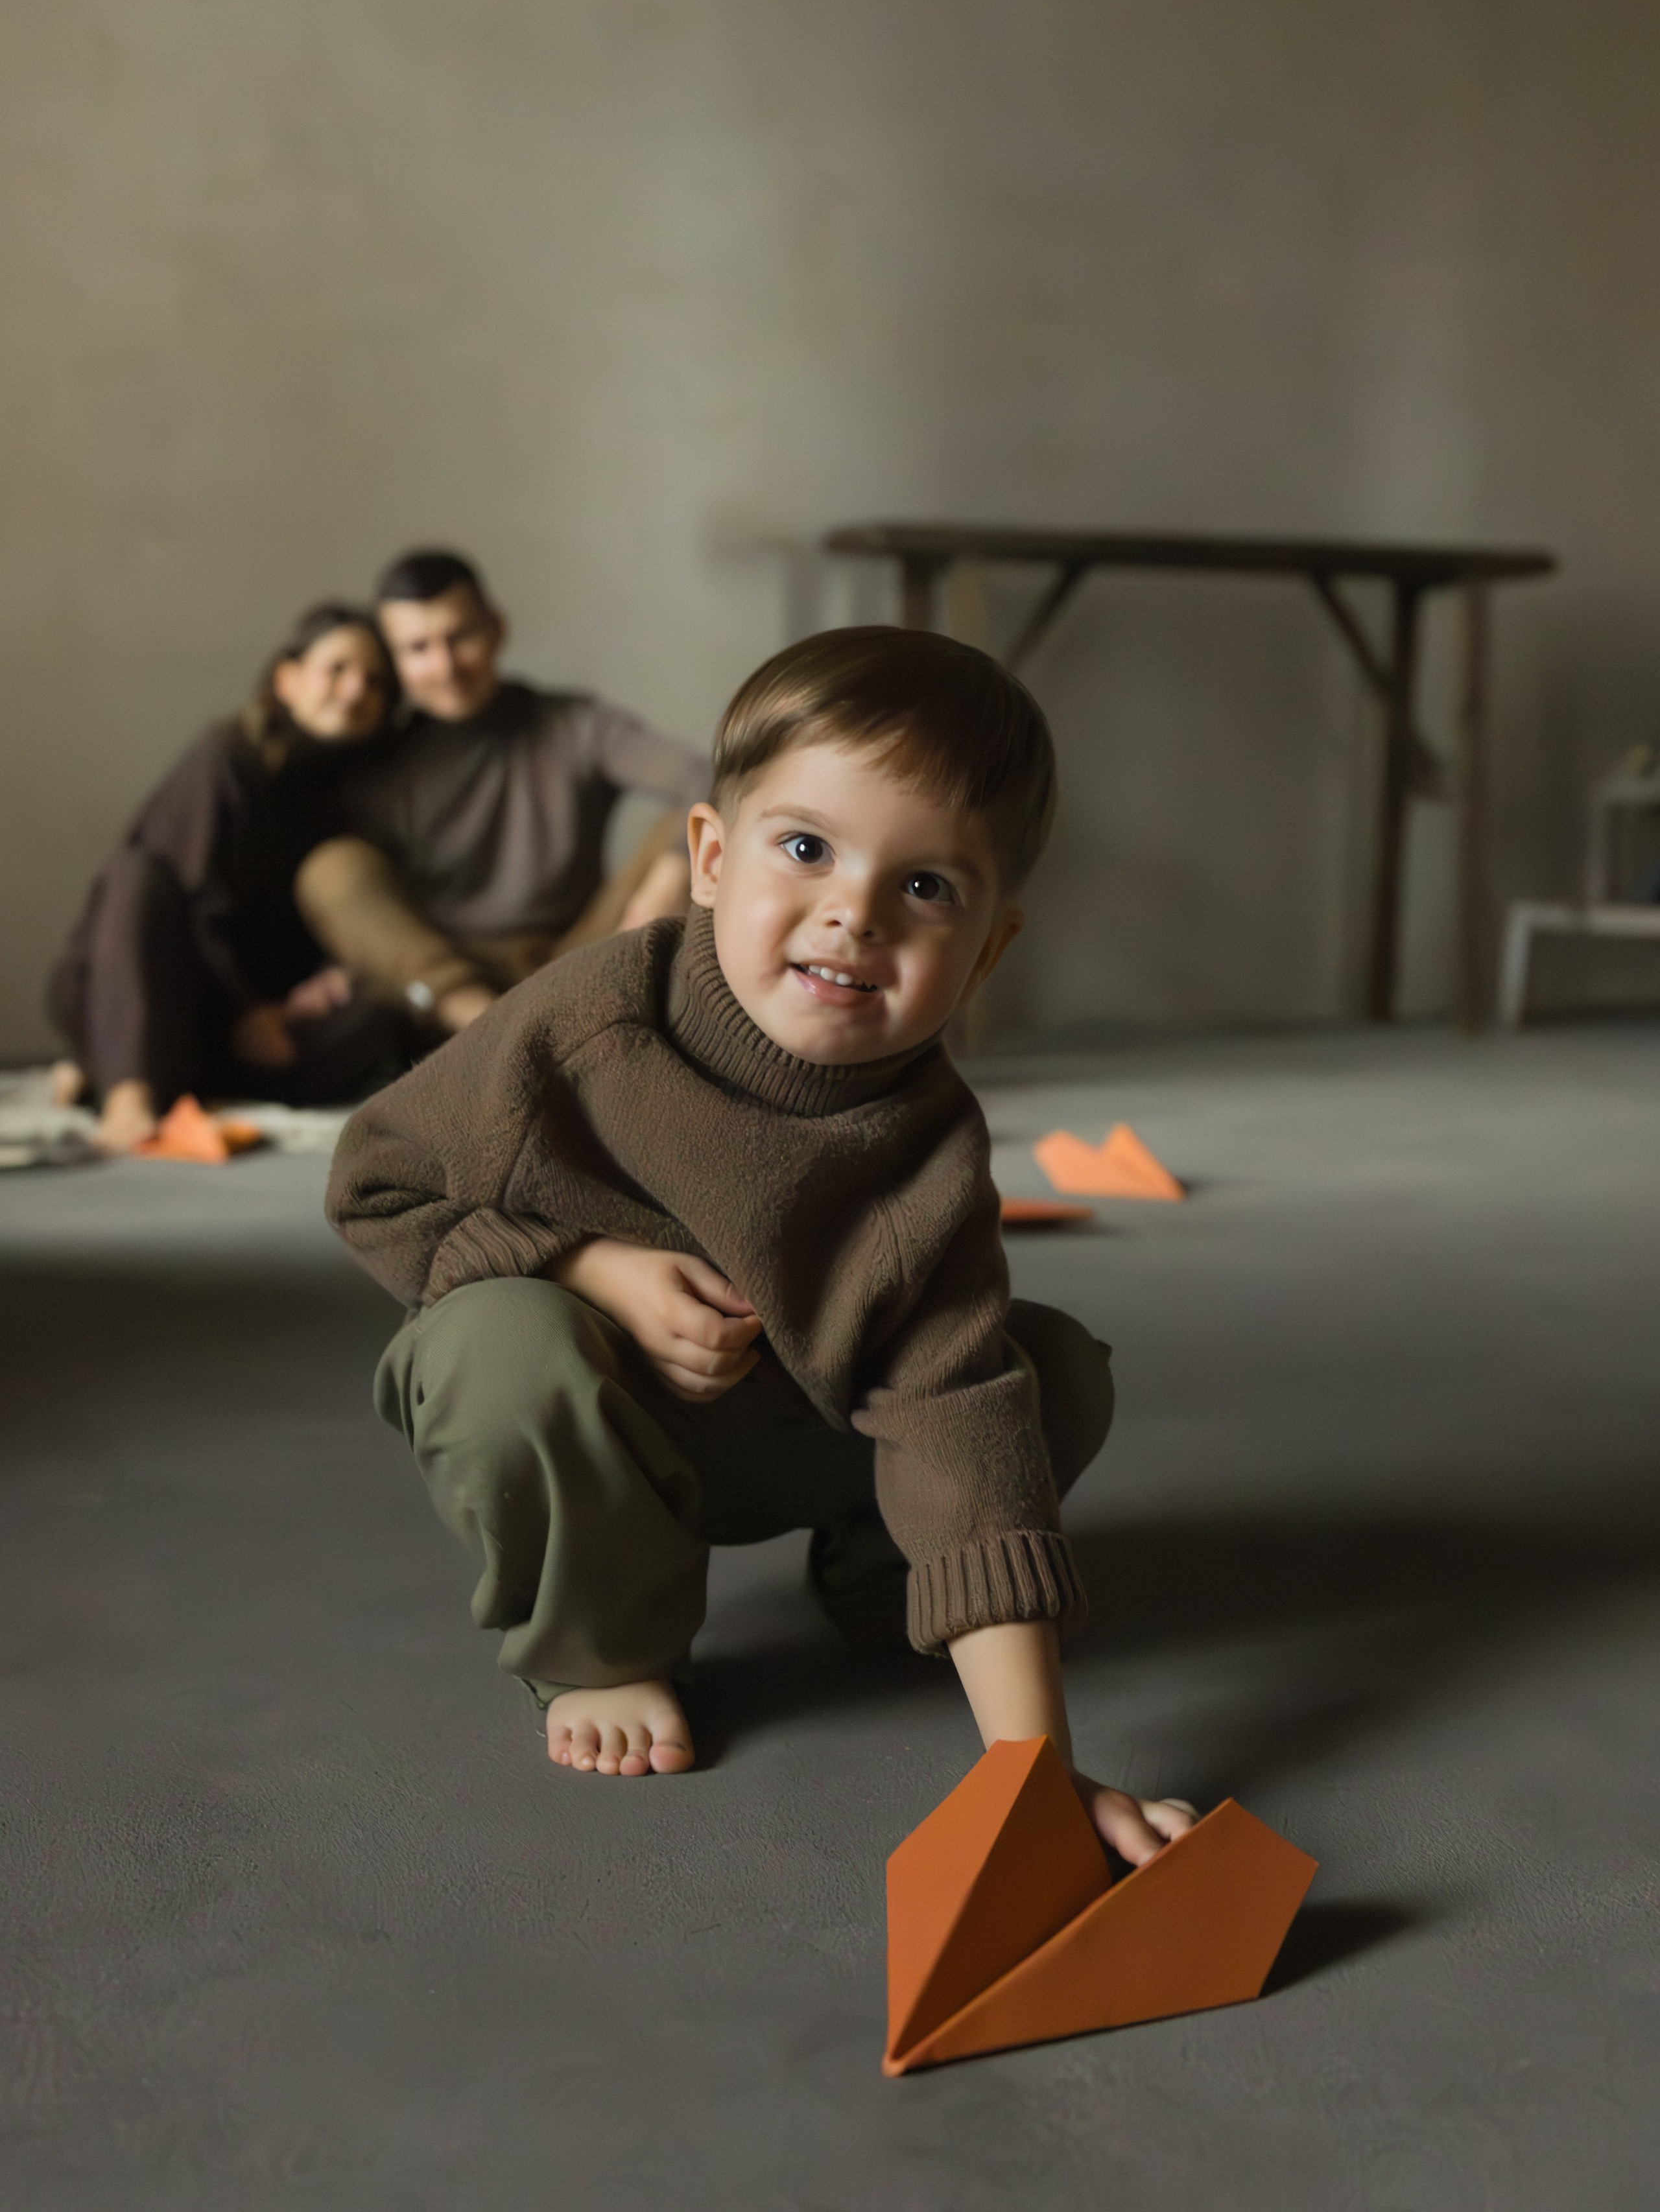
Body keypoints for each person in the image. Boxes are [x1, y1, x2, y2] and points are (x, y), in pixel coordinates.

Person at [326, 626, 1194, 1866]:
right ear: (713, 859)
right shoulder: (584, 1022)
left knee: (1045, 1370)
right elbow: (376, 1182)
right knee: (495, 1344)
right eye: (806, 849)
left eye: (928, 887)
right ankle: (604, 1650)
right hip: (607, 1427)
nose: (854, 913)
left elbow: (953, 1406)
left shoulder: (928, 1143)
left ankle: (892, 1588)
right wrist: (585, 1267)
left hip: (810, 1430)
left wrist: (1034, 1774)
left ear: (991, 944)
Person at [50, 604, 419, 1151]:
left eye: (374, 681)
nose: (355, 689)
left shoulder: (360, 793)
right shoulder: (228, 755)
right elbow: (190, 903)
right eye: (337, 669)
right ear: (288, 680)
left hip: (255, 1013)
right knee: (139, 877)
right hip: (162, 986)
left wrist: (329, 975)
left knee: (385, 1015)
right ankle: (128, 1091)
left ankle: (123, 1074)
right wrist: (244, 1008)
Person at [295, 549, 709, 1036]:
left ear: (496, 628)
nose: (445, 666)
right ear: (396, 664)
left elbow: (708, 774)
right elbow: (369, 907)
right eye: (418, 648)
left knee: (696, 824)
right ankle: (494, 1034)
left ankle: (530, 1035)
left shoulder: (576, 725)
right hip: (453, 981)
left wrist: (668, 879)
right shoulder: (381, 762)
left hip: (575, 956)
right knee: (332, 868)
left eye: (460, 637)